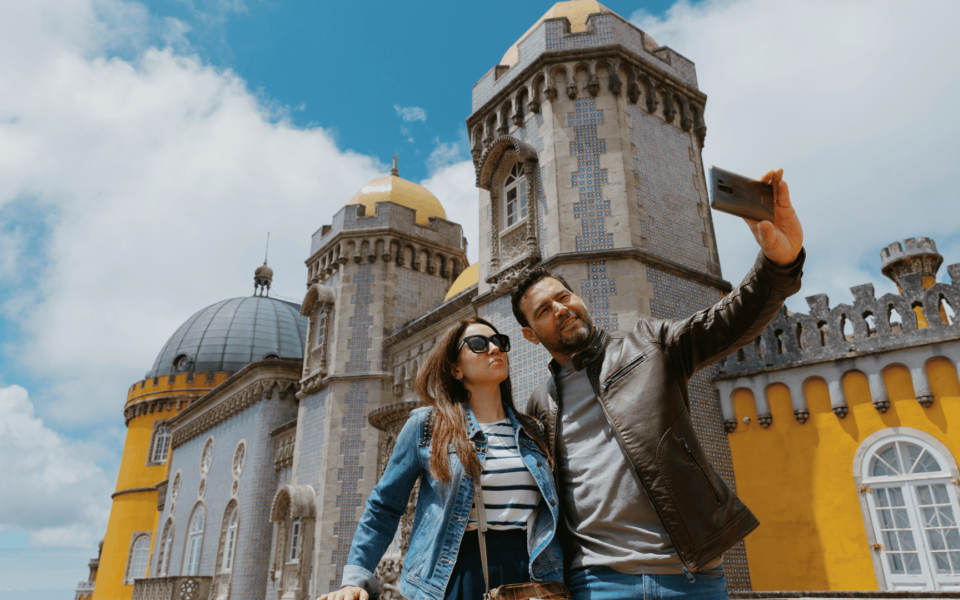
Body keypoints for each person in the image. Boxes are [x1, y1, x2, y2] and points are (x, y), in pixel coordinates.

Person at [509, 169, 805, 600]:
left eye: (564, 296)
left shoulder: (651, 345)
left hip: (691, 576)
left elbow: (729, 320)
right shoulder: (541, 403)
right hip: (597, 582)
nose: (561, 308)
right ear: (530, 335)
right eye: (543, 309)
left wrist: (779, 264)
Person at [321, 317, 563, 600]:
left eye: (499, 342)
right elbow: (384, 507)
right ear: (455, 368)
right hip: (454, 575)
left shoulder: (533, 431)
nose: (494, 349)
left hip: (529, 575)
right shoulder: (427, 426)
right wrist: (356, 579)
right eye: (478, 344)